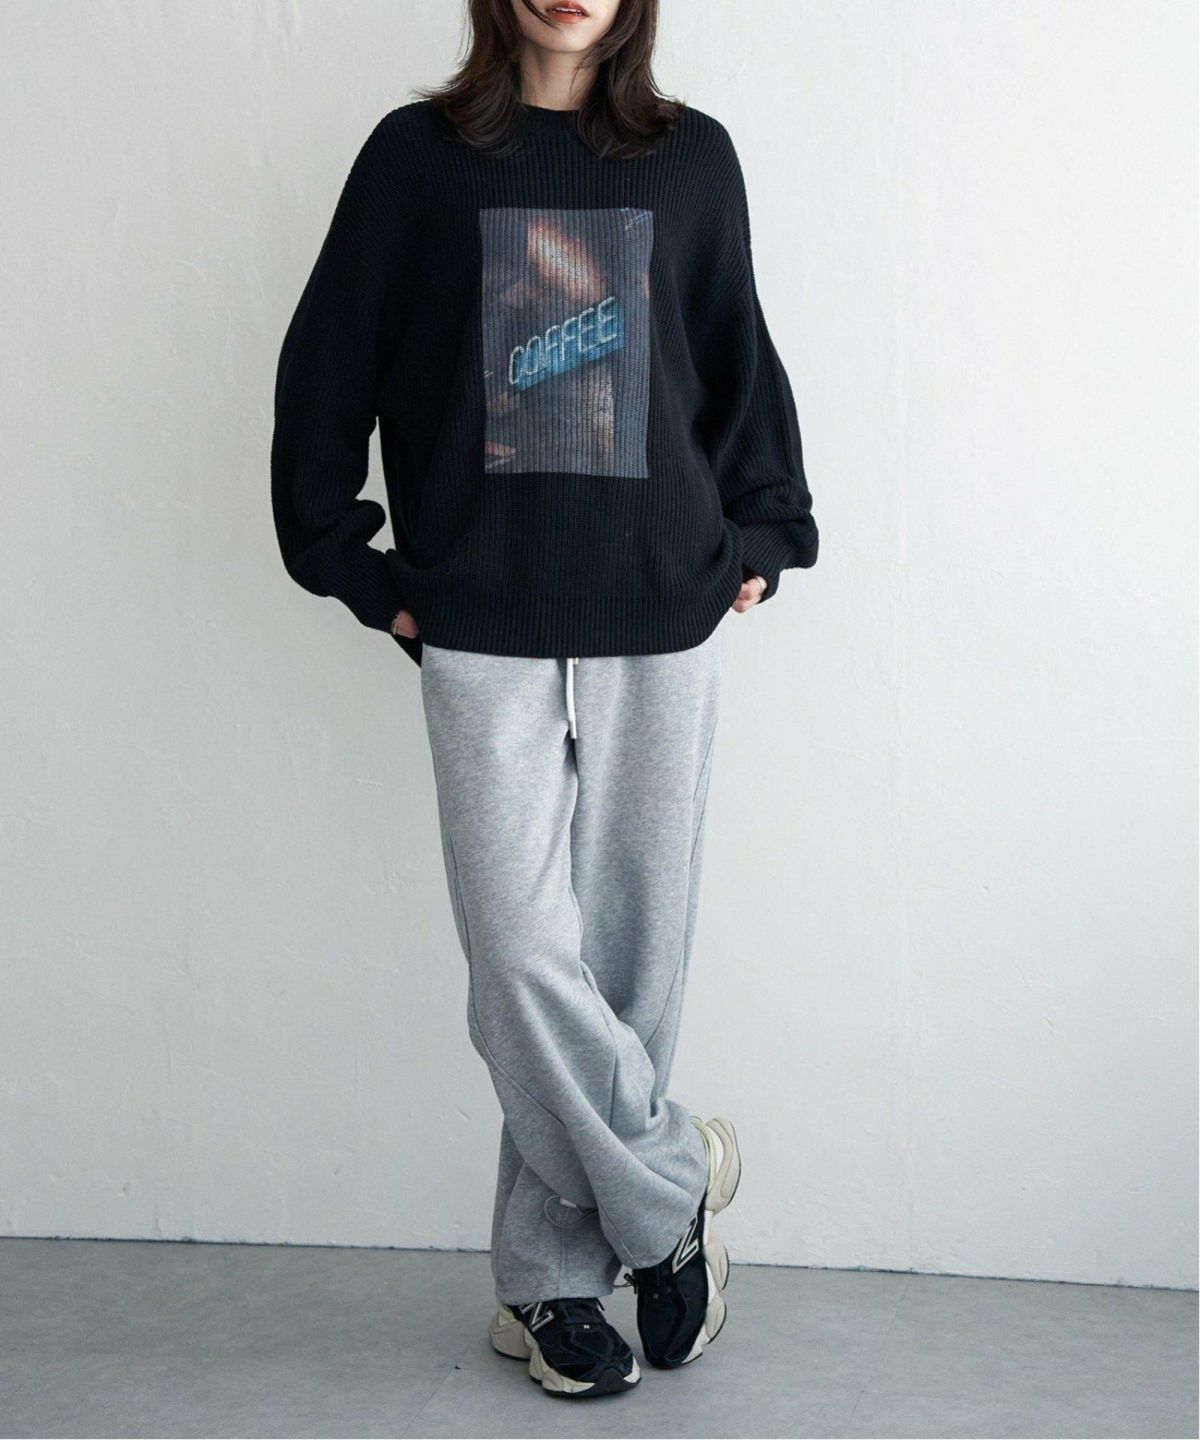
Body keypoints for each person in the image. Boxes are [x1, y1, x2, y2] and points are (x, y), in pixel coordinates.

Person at [271, 0, 818, 1402]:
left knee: (629, 965)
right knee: (521, 956)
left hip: (660, 609)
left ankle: (548, 1284)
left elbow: (733, 357)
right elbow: (328, 361)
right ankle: (672, 1188)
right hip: (482, 615)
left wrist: (764, 530)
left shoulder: (692, 159)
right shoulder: (415, 160)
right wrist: (347, 559)